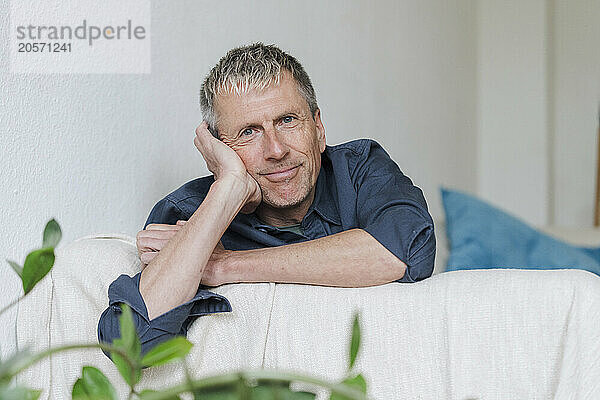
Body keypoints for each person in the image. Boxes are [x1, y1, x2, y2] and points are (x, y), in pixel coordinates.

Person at [98, 43, 436, 356]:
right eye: (248, 132)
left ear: (318, 128)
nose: (276, 150)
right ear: (218, 149)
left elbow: (403, 251)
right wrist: (229, 186)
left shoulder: (359, 168)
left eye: (287, 121)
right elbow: (133, 345)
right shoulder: (189, 213)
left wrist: (224, 264)